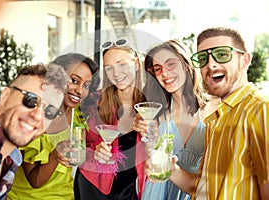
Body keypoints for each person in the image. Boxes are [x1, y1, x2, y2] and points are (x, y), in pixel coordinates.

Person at [167, 27, 269, 199]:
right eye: (203, 58)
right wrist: (170, 170)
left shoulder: (260, 111)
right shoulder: (216, 119)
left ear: (245, 60)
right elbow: (203, 188)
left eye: (222, 54)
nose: (211, 64)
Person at [7, 53, 100, 199]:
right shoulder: (36, 118)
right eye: (74, 81)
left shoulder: (78, 117)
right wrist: (54, 156)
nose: (80, 91)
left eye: (86, 85)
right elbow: (34, 181)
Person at [0, 63, 68, 199]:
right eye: (31, 100)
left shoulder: (13, 160)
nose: (37, 116)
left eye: (49, 111)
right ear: (5, 96)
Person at [132, 39, 207, 200]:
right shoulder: (156, 114)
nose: (164, 73)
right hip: (159, 192)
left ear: (186, 63)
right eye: (158, 69)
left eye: (171, 64)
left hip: (197, 191)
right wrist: (146, 134)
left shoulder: (214, 108)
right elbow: (152, 157)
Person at [74, 39, 147, 199]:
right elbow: (80, 146)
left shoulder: (150, 106)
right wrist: (94, 152)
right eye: (109, 68)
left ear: (135, 64)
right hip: (94, 186)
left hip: (130, 190)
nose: (116, 73)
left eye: (122, 64)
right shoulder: (95, 101)